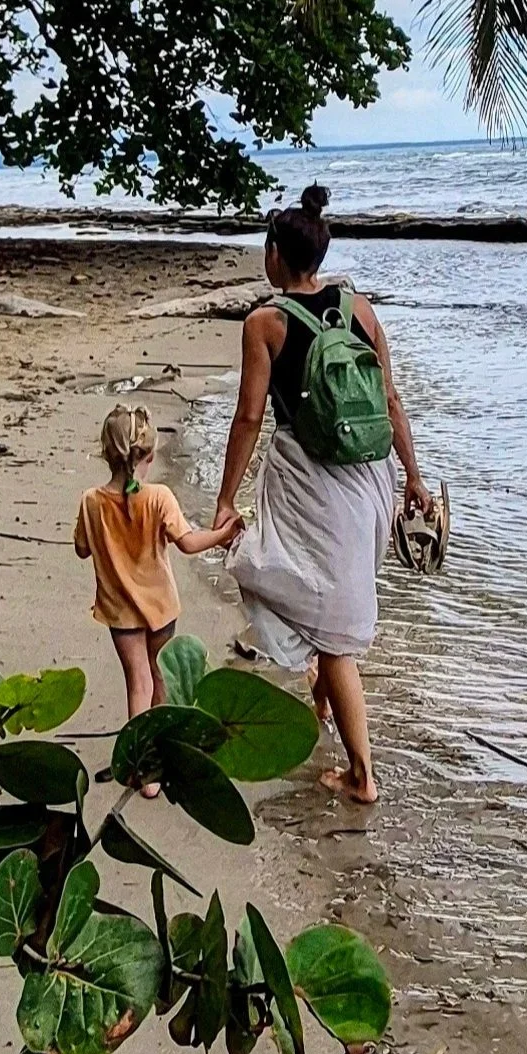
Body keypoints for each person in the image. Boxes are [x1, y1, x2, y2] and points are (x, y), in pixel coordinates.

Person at [215, 185, 428, 805]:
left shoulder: (265, 322)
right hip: (370, 480)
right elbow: (390, 400)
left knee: (321, 619)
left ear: (277, 254)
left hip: (312, 482)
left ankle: (362, 776)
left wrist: (227, 500)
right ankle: (322, 697)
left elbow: (249, 417)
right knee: (333, 598)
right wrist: (412, 478)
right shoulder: (358, 308)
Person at [74, 406, 242, 756]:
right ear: (148, 456)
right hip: (161, 608)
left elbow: (82, 549)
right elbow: (189, 543)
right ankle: (162, 750)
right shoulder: (159, 498)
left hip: (120, 612)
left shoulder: (91, 501)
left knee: (138, 682)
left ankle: (140, 763)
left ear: (106, 452)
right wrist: (223, 533)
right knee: (159, 674)